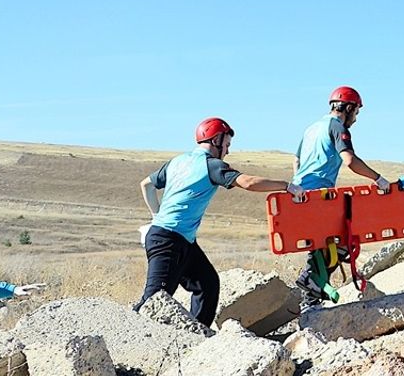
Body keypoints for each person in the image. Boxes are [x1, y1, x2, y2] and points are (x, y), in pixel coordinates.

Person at [137, 117, 302, 325]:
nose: (228, 151)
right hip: (168, 241)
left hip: (181, 240)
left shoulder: (178, 161)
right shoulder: (212, 166)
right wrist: (286, 186)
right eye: (227, 144)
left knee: (207, 284)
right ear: (216, 140)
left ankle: (196, 337)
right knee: (154, 300)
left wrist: (156, 215)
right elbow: (248, 183)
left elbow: (146, 185)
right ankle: (128, 337)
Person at [291, 86, 391, 309]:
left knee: (323, 244)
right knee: (345, 240)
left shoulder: (312, 128)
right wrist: (378, 178)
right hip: (319, 196)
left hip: (302, 195)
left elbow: (296, 160)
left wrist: (297, 185)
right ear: (347, 108)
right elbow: (349, 160)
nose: (355, 119)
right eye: (355, 112)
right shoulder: (337, 127)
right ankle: (311, 288)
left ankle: (311, 297)